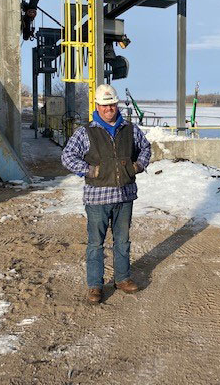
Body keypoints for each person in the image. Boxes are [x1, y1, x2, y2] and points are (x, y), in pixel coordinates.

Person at [61, 84, 152, 304]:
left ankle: (122, 279)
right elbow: (67, 156)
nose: (108, 108)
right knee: (95, 244)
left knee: (122, 241)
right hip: (97, 199)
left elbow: (146, 148)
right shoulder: (86, 132)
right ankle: (95, 286)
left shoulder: (130, 129)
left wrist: (137, 166)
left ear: (116, 104)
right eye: (104, 105)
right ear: (97, 106)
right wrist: (90, 170)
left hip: (124, 197)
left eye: (111, 104)